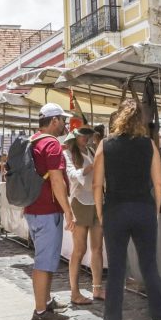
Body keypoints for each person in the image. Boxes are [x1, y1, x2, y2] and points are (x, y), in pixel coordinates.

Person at [92, 99, 161, 320]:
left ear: (118, 118)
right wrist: (155, 210)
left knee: (116, 271)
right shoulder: (149, 145)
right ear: (141, 121)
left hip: (115, 209)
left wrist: (100, 212)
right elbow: (159, 184)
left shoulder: (105, 145)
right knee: (149, 267)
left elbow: (97, 184)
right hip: (143, 209)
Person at [25, 103, 76, 320]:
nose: (65, 124)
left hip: (33, 208)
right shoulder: (52, 145)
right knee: (44, 261)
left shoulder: (33, 141)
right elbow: (56, 180)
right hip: (48, 210)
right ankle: (40, 312)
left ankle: (45, 301)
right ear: (54, 120)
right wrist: (68, 211)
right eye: (62, 120)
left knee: (46, 257)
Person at [63, 127, 104, 304]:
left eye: (88, 135)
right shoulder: (68, 154)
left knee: (97, 248)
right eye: (82, 135)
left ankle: (97, 289)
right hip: (79, 202)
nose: (86, 138)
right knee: (79, 249)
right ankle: (75, 292)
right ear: (75, 136)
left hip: (97, 201)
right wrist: (91, 167)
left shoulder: (92, 150)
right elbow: (72, 175)